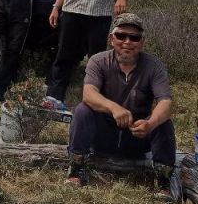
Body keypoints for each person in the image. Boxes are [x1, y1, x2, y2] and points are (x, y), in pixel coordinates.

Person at [65, 13, 176, 187]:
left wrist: (150, 124)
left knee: (163, 122)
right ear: (112, 39)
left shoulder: (154, 67)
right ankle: (76, 169)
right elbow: (88, 94)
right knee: (82, 110)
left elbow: (166, 103)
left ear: (142, 42)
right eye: (121, 36)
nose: (127, 42)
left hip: (137, 136)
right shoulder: (98, 61)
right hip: (102, 135)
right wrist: (113, 108)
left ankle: (163, 181)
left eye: (134, 38)